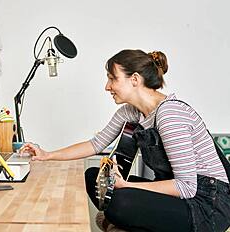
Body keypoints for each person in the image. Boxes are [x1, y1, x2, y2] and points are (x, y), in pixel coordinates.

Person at [20, 49, 230, 232]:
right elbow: (96, 144)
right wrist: (48, 155)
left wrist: (126, 185)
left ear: (135, 80)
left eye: (112, 78)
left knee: (120, 202)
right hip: (176, 195)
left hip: (206, 204)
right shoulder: (130, 112)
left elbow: (186, 187)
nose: (107, 86)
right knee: (93, 176)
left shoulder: (170, 114)